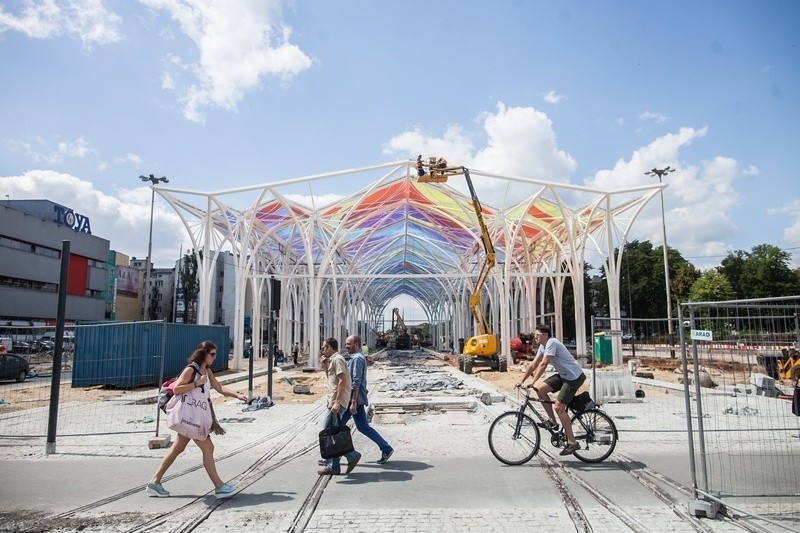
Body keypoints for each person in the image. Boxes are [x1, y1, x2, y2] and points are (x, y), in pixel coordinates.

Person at [146, 341, 248, 498]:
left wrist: (237, 395)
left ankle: (155, 482)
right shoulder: (191, 370)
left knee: (177, 449)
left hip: (194, 416)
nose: (214, 357)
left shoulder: (206, 370)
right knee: (208, 448)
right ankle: (219, 486)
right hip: (191, 418)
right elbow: (176, 389)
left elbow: (219, 388)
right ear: (204, 353)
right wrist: (196, 383)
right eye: (212, 354)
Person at [517, 324, 586, 456]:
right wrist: (522, 380)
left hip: (574, 377)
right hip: (564, 375)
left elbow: (543, 364)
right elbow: (533, 364)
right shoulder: (543, 347)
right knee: (541, 389)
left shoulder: (552, 343)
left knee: (559, 407)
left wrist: (532, 381)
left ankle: (572, 442)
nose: (535, 337)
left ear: (545, 335)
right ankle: (553, 422)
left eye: (537, 334)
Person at [341, 335, 394, 464]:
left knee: (338, 426)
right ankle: (386, 448)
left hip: (353, 400)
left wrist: (353, 401)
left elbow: (356, 381)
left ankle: (336, 456)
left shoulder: (357, 359)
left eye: (349, 344)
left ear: (357, 344)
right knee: (363, 427)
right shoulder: (356, 358)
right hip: (355, 399)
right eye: (346, 344)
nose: (346, 346)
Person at [318, 337, 361, 475]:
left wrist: (337, 402)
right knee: (331, 433)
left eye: (324, 347)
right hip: (332, 402)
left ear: (330, 347)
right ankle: (334, 465)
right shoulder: (333, 361)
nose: (323, 350)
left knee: (328, 432)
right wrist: (325, 365)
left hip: (336, 403)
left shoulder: (338, 360)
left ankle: (351, 456)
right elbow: (332, 380)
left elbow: (342, 380)